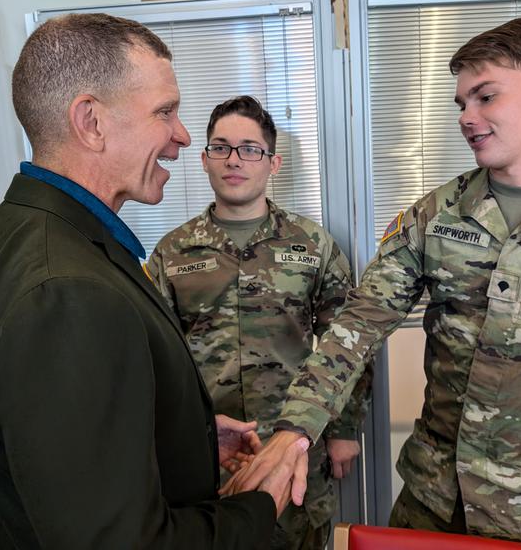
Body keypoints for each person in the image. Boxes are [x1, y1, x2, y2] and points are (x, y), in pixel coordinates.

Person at [223, 17, 521, 550]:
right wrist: (296, 428)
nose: (467, 118)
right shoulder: (436, 214)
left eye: (485, 97)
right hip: (433, 508)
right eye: (460, 104)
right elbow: (357, 326)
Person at [0, 13, 309, 549]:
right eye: (165, 111)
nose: (183, 136)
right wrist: (261, 503)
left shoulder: (19, 230)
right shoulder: (66, 293)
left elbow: (72, 457)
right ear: (90, 122)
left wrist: (188, 441)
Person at [147, 96, 373, 550]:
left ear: (273, 163)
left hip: (293, 444)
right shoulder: (172, 253)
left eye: (250, 149)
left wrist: (345, 431)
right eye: (221, 147)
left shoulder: (312, 245)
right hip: (207, 454)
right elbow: (154, 359)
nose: (235, 160)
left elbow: (348, 342)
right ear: (206, 159)